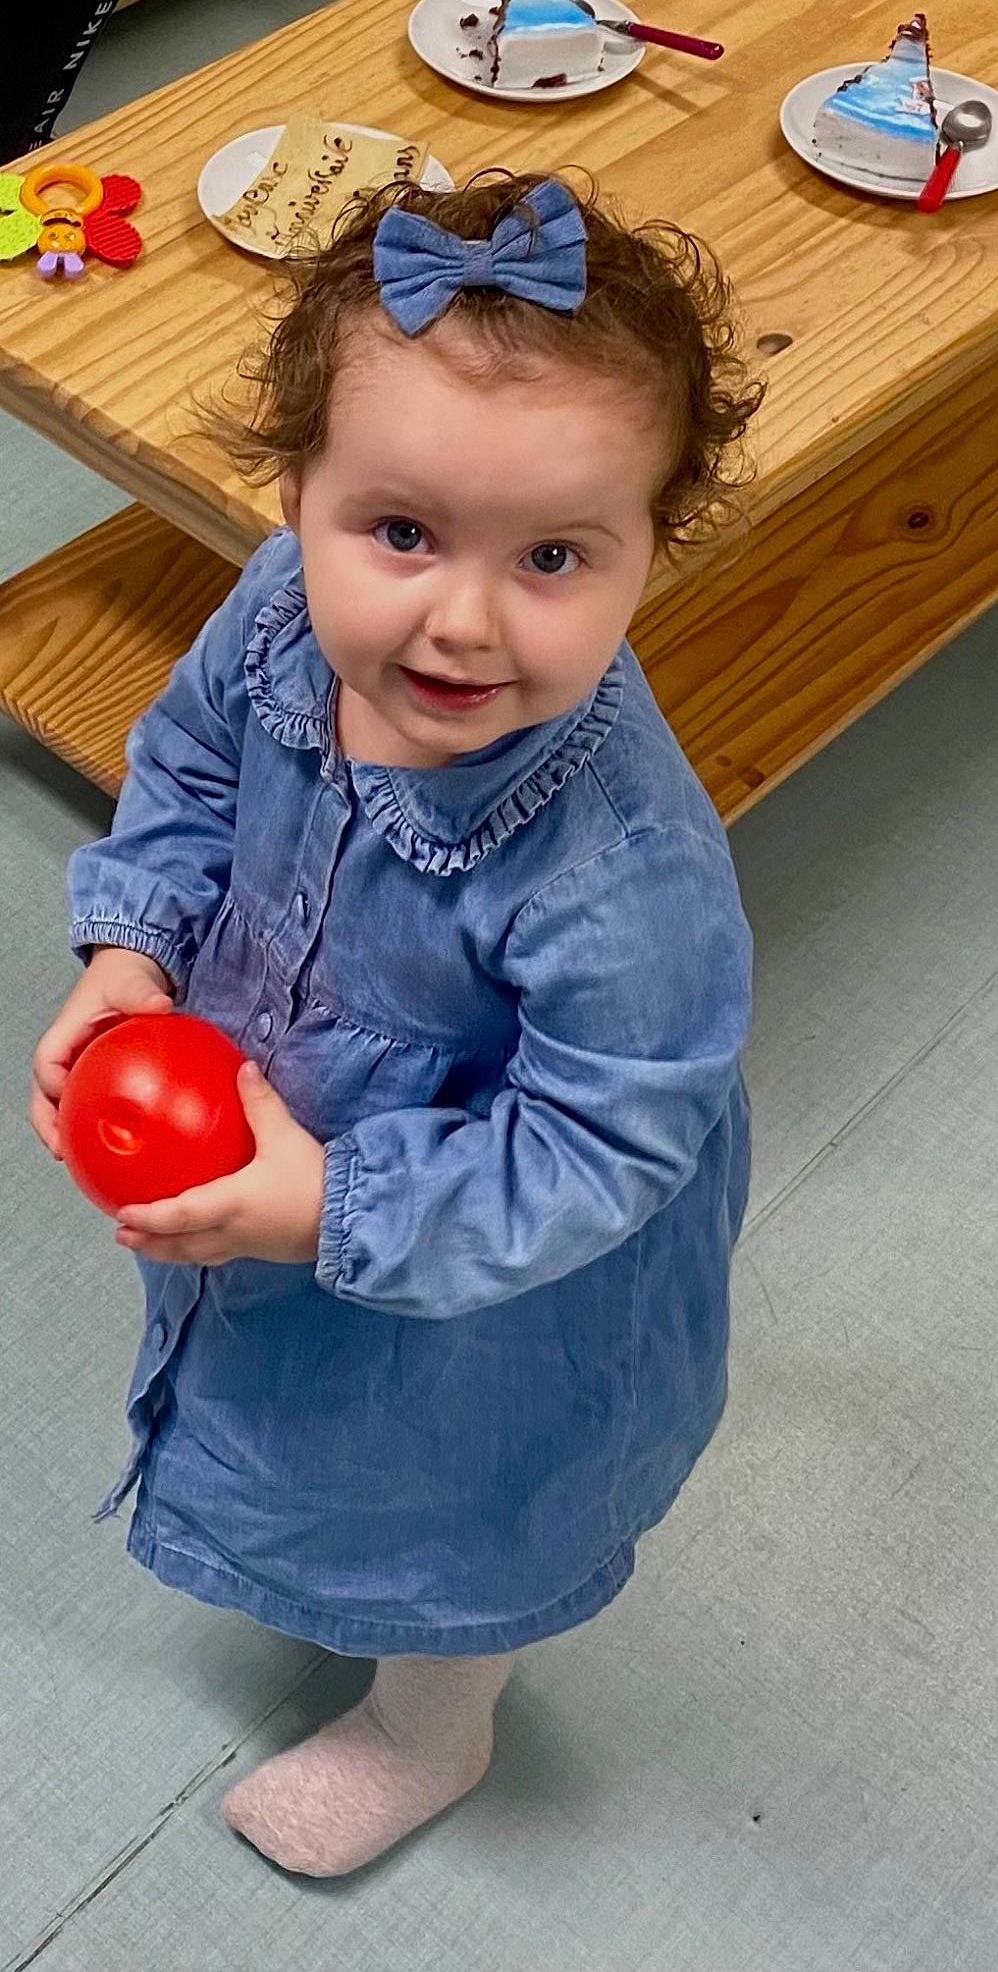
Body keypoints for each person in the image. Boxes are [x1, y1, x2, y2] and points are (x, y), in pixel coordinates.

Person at [30, 170, 764, 1878]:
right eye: (403, 531)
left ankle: (435, 1724)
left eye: (557, 556)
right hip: (277, 1133)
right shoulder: (277, 608)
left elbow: (607, 1137)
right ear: (296, 497)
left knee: (458, 1502)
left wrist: (329, 1210)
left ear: (659, 545)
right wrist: (130, 954)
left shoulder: (623, 869)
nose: (460, 618)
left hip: (494, 1268)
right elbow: (190, 769)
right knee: (307, 1413)